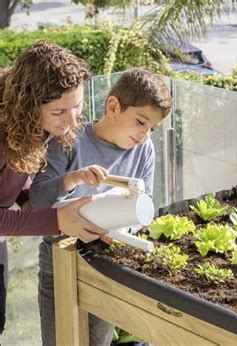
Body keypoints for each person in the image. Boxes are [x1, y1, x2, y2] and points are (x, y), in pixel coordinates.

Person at [30, 67, 173, 345]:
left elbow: (145, 208)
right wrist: (74, 177)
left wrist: (124, 228)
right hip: (59, 268)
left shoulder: (144, 151)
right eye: (141, 122)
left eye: (152, 128)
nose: (145, 134)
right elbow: (38, 199)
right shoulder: (69, 140)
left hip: (107, 271)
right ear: (113, 106)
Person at [0, 41, 108, 334]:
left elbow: (14, 172)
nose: (72, 120)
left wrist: (28, 201)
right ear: (27, 104)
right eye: (59, 111)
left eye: (77, 105)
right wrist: (56, 219)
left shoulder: (27, 121)